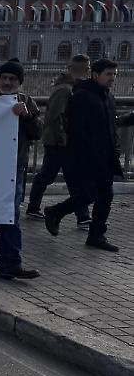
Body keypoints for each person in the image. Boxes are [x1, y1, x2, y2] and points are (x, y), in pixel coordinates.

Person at [44, 58, 134, 252]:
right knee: (89, 194)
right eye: (109, 74)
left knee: (105, 196)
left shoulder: (107, 97)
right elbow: (76, 131)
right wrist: (81, 157)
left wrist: (114, 149)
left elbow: (110, 125)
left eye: (114, 75)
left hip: (106, 156)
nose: (112, 79)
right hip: (87, 157)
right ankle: (55, 212)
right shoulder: (81, 97)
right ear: (95, 75)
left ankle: (96, 234)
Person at [0, 60, 42, 279]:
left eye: (13, 79)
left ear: (19, 83)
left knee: (10, 215)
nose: (7, 82)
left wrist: (27, 115)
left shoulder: (27, 102)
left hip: (13, 168)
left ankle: (10, 264)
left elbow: (38, 132)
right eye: (4, 78)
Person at [27, 55, 92, 228]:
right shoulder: (65, 90)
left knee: (52, 176)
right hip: (60, 142)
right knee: (62, 178)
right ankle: (82, 216)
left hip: (60, 141)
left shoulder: (68, 88)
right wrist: (64, 140)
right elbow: (56, 118)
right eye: (87, 69)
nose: (88, 72)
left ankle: (35, 208)